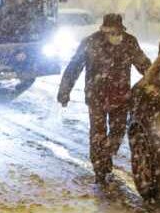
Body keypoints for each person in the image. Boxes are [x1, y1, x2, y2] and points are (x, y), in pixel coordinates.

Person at [57, 14, 152, 184]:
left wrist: (154, 80)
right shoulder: (91, 42)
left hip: (121, 97)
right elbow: (74, 67)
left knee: (118, 131)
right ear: (104, 30)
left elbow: (143, 64)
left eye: (118, 32)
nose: (115, 35)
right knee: (98, 132)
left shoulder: (129, 42)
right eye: (112, 32)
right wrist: (64, 91)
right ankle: (100, 166)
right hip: (97, 97)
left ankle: (106, 154)